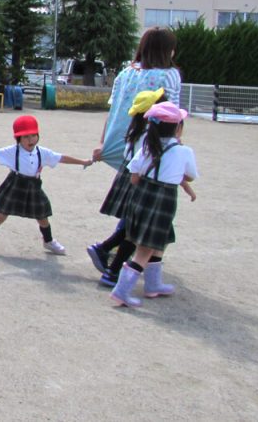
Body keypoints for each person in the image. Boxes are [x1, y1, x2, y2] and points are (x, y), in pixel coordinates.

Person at [90, 28, 182, 275]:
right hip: (152, 149)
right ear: (166, 50)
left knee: (136, 208)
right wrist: (175, 146)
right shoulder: (170, 75)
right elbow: (173, 115)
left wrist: (103, 143)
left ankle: (126, 261)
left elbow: (113, 112)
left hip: (126, 146)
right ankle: (115, 260)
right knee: (144, 213)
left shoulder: (126, 73)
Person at [111, 102, 198, 308]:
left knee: (159, 243)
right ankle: (121, 291)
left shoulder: (146, 148)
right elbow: (191, 176)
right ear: (178, 128)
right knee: (145, 249)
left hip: (141, 199)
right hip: (163, 202)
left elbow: (133, 177)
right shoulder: (184, 152)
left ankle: (153, 284)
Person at [0, 115, 93, 255]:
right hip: (16, 184)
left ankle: (49, 241)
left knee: (42, 217)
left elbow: (61, 158)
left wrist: (82, 161)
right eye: (26, 137)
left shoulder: (42, 152)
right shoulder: (13, 151)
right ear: (18, 139)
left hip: (34, 186)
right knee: (1, 214)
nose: (31, 140)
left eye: (33, 136)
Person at [87, 88, 166, 285]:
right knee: (136, 229)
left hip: (132, 176)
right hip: (139, 181)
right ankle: (109, 261)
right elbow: (144, 162)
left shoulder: (137, 130)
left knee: (133, 225)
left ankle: (107, 253)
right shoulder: (148, 135)